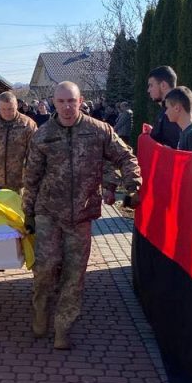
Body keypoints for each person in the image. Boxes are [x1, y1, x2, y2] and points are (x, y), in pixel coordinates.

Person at [22, 82, 141, 350]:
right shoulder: (42, 135)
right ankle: (41, 311)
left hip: (81, 214)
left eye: (71, 101)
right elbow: (31, 179)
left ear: (80, 100)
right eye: (61, 101)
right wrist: (28, 214)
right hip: (48, 213)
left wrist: (133, 184)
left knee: (74, 275)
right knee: (45, 269)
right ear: (53, 102)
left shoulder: (98, 130)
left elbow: (125, 156)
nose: (66, 107)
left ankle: (63, 327)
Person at [164, 87, 192, 154]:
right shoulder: (186, 131)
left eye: (167, 108)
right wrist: (172, 153)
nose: (166, 112)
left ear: (177, 108)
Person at [147, 65, 182, 149]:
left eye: (151, 85)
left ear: (163, 85)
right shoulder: (164, 110)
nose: (148, 90)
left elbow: (174, 147)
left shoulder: (175, 112)